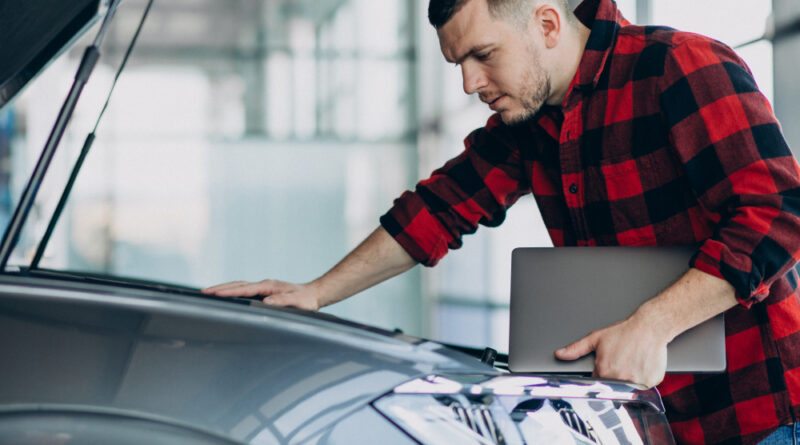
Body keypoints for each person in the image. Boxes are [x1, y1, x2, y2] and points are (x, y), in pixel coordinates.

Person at [204, 0, 800, 443]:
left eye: (483, 56)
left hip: (767, 417)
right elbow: (435, 211)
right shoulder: (528, 125)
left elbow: (778, 214)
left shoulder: (679, 66)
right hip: (651, 423)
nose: (469, 83)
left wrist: (653, 325)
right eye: (457, 62)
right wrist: (315, 294)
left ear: (545, 24)